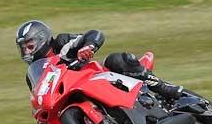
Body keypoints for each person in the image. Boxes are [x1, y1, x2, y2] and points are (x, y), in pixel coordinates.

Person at [16, 19, 183, 99]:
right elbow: (39, 97)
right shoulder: (33, 75)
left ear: (42, 39)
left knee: (116, 60)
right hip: (73, 97)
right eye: (23, 48)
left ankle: (163, 87)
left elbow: (94, 34)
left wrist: (88, 48)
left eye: (29, 46)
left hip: (98, 78)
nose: (26, 51)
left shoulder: (61, 43)